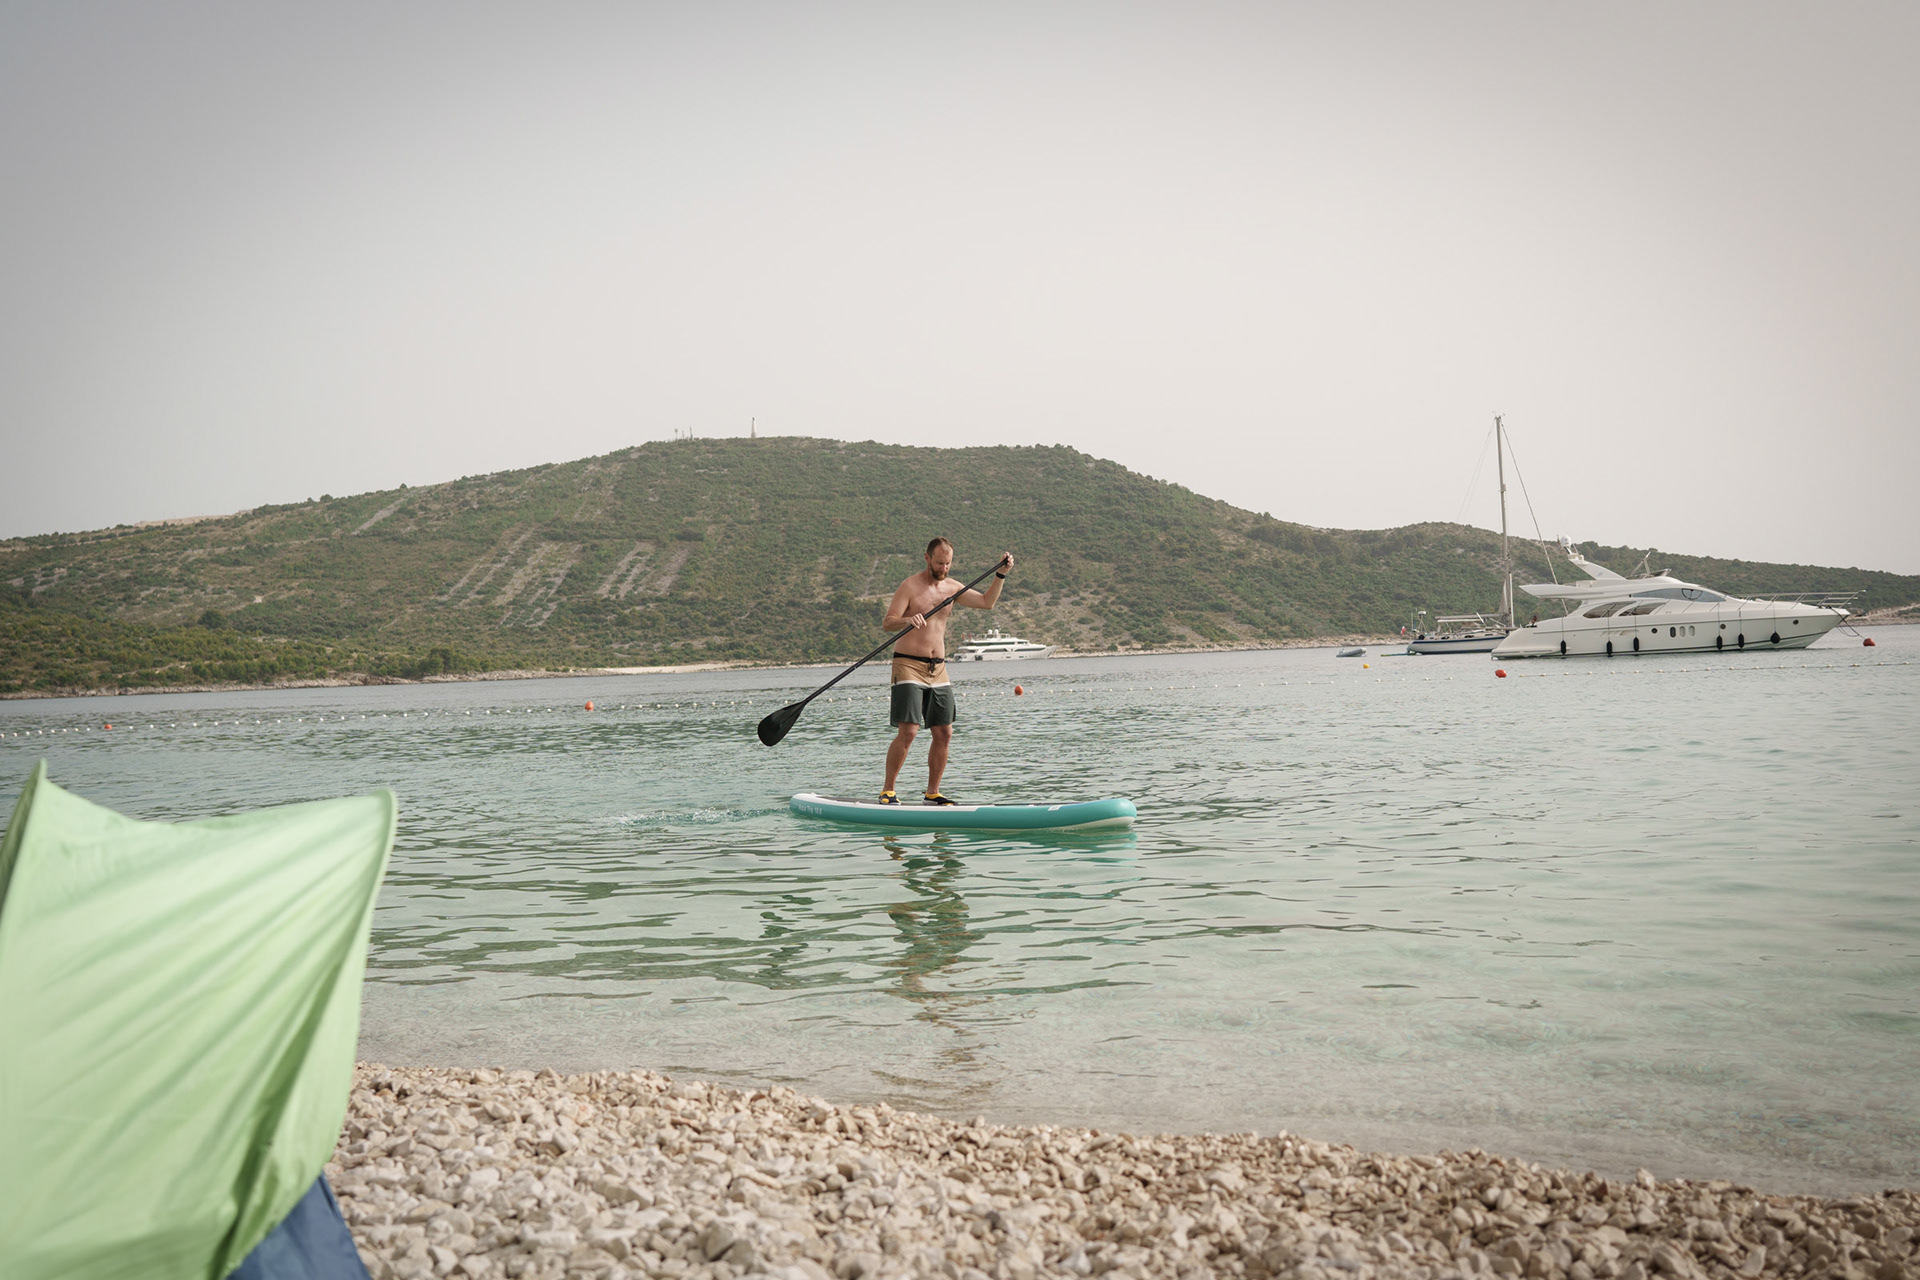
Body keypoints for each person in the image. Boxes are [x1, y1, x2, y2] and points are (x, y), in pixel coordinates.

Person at [878, 538, 1014, 804]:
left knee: (944, 732)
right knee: (909, 731)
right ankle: (888, 790)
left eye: (948, 563)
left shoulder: (953, 588)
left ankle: (932, 793)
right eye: (939, 563)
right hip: (908, 665)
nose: (944, 568)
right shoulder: (909, 586)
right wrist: (907, 620)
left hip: (938, 668)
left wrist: (1001, 574)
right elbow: (888, 623)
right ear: (927, 558)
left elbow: (987, 602)